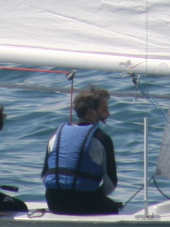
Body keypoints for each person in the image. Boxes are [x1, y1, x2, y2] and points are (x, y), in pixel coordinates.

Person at [42, 85, 121, 215]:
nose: (108, 114)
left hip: (54, 202)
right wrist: (95, 194)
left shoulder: (55, 135)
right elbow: (110, 185)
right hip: (86, 202)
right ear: (90, 112)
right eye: (104, 110)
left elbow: (44, 175)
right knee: (115, 207)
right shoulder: (102, 139)